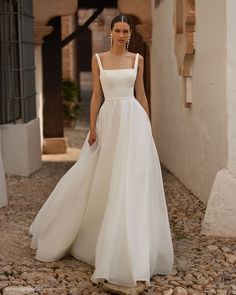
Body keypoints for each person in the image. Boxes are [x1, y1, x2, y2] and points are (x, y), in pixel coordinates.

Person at [29, 14, 174, 288]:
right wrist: (92, 128)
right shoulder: (98, 59)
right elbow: (96, 95)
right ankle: (92, 236)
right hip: (109, 120)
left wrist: (148, 125)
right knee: (102, 176)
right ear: (111, 32)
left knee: (132, 181)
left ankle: (131, 247)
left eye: (125, 31)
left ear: (130, 34)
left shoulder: (138, 60)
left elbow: (141, 94)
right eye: (117, 30)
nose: (121, 35)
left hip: (133, 121)